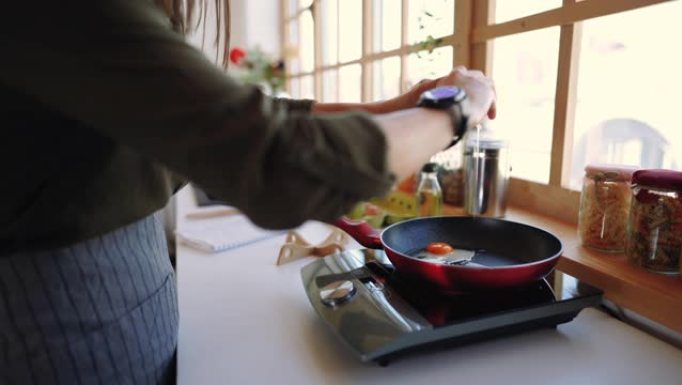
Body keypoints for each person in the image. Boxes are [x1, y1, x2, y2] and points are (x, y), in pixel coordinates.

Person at [0, 1, 496, 384]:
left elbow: (244, 120)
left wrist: (397, 108)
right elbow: (279, 157)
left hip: (116, 313)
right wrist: (453, 111)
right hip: (60, 326)